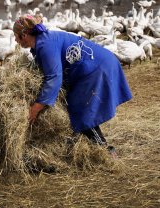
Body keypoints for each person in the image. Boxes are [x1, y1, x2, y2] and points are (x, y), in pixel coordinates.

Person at [13, 14, 132, 154]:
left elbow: (54, 78)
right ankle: (84, 141)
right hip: (97, 64)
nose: (15, 40)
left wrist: (36, 107)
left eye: (16, 36)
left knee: (81, 109)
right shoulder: (43, 41)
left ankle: (105, 151)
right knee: (78, 106)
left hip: (96, 68)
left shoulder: (45, 45)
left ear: (24, 34)